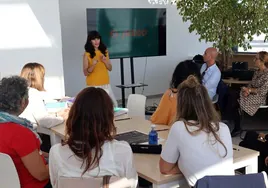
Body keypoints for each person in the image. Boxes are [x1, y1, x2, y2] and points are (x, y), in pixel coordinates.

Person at [49, 87, 138, 188]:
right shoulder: (122, 151)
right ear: (109, 118)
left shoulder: (56, 153)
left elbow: (55, 184)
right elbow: (131, 183)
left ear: (74, 116)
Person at [159, 75, 234, 187]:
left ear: (181, 104)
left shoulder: (179, 127)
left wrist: (183, 164)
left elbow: (164, 168)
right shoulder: (223, 127)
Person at [0, 76, 51, 188]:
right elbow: (41, 175)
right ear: (23, 102)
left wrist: (53, 154)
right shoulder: (20, 133)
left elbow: (26, 154)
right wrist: (59, 161)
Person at [150, 60, 201, 125]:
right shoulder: (202, 94)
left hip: (172, 133)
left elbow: (157, 121)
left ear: (176, 77)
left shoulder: (171, 95)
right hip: (199, 133)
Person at [19, 62, 68, 129]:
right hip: (27, 132)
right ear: (38, 78)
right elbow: (44, 122)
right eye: (42, 76)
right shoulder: (32, 93)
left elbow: (35, 115)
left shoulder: (18, 91)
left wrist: (57, 114)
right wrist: (62, 118)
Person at [230, 51, 268, 136]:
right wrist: (247, 89)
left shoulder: (267, 74)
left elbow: (263, 91)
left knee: (234, 98)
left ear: (262, 61)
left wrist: (249, 90)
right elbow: (252, 83)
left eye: (256, 58)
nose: (254, 60)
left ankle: (237, 126)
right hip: (252, 93)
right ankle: (237, 123)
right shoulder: (257, 71)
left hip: (261, 97)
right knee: (232, 94)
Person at [83, 30, 118, 107]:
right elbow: (85, 73)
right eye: (94, 39)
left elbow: (110, 68)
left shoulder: (104, 51)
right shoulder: (87, 54)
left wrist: (105, 61)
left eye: (98, 39)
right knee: (96, 108)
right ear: (90, 41)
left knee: (114, 105)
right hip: (93, 86)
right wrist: (93, 65)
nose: (96, 41)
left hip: (106, 84)